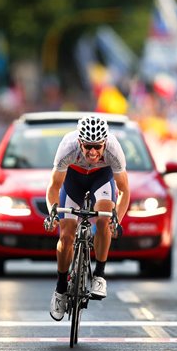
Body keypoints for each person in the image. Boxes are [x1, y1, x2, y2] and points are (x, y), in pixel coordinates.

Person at [43, 115, 130, 321]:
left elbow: (125, 191)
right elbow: (54, 187)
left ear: (105, 144)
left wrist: (117, 219)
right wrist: (53, 211)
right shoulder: (67, 146)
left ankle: (99, 275)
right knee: (65, 236)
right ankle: (60, 289)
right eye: (88, 146)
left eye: (97, 147)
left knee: (104, 220)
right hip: (73, 179)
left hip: (101, 178)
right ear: (80, 142)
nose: (92, 152)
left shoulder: (113, 151)